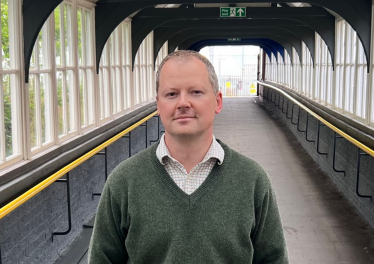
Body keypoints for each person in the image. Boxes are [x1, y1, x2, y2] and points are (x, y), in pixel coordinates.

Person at [88, 50, 288, 264]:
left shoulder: (253, 181)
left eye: (195, 92)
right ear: (158, 105)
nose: (183, 103)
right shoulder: (124, 182)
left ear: (218, 101)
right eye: (171, 94)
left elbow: (273, 259)